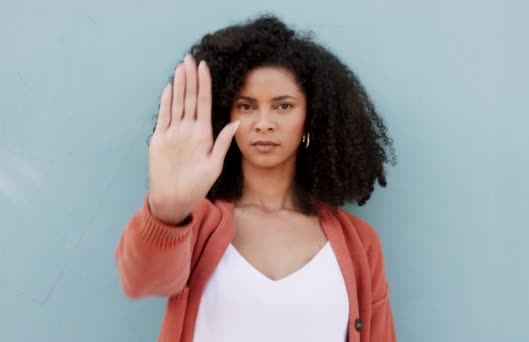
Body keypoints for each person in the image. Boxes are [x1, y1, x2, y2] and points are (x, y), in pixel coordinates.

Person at [115, 14, 397, 342]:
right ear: (225, 114)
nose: (264, 123)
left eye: (283, 106)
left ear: (311, 117)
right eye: (247, 106)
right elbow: (142, 281)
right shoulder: (195, 223)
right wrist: (166, 210)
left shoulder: (360, 244)